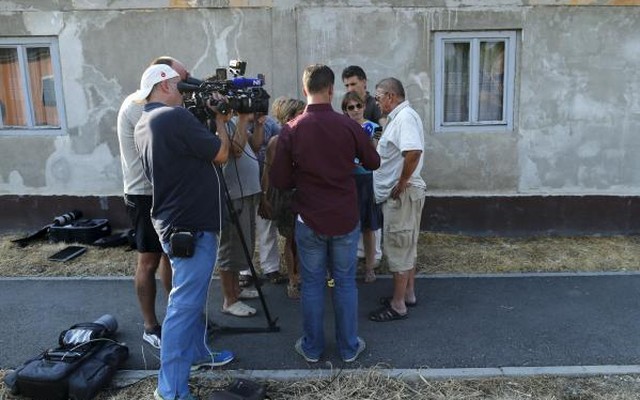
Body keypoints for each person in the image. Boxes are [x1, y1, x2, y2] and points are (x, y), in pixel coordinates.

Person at [133, 64, 234, 400]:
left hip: (175, 223)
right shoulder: (173, 118)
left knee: (189, 301)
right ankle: (171, 388)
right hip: (190, 226)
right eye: (179, 85)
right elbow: (220, 153)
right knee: (183, 305)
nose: (183, 91)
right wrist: (220, 120)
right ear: (163, 86)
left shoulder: (144, 122)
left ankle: (197, 355)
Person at [271, 64, 380, 363]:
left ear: (304, 89)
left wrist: (302, 178)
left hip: (309, 218)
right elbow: (373, 162)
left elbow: (279, 180)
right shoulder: (349, 126)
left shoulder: (291, 129)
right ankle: (347, 348)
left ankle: (312, 347)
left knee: (313, 285)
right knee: (345, 283)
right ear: (332, 90)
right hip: (344, 217)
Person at [116, 56, 187, 349]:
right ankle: (150, 326)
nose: (183, 88)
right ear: (162, 80)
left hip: (164, 190)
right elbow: (161, 150)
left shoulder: (160, 105)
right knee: (148, 259)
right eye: (180, 81)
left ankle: (177, 317)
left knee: (170, 256)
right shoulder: (137, 106)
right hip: (144, 193)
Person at [369, 77, 426, 323]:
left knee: (399, 246)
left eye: (378, 96)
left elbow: (413, 151)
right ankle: (407, 294)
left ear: (391, 96)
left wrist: (401, 181)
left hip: (402, 194)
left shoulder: (404, 117)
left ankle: (398, 304)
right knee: (406, 245)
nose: (376, 101)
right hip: (402, 193)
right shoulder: (400, 118)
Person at [215, 112, 262, 318]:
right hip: (234, 194)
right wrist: (243, 120)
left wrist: (258, 124)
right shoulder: (221, 123)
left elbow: (256, 146)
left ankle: (236, 291)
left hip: (248, 192)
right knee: (230, 247)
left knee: (243, 246)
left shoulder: (235, 122)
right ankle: (229, 299)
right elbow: (236, 150)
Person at [258, 97, 306, 299]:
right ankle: (293, 278)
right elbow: (267, 171)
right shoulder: (276, 141)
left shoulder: (306, 138)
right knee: (291, 237)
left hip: (303, 192)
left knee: (303, 237)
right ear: (289, 117)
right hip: (284, 195)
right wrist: (264, 196)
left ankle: (304, 275)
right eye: (300, 114)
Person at [237, 113, 288, 288]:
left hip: (265, 181)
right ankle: (245, 270)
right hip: (243, 183)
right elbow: (255, 146)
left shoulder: (270, 123)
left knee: (267, 226)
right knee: (244, 229)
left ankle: (270, 267)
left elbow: (279, 144)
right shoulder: (237, 122)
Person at [342, 65, 383, 267]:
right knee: (350, 224)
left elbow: (376, 149)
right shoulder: (342, 126)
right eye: (351, 108)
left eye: (358, 106)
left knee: (370, 224)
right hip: (349, 179)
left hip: (369, 177)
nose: (356, 110)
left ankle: (372, 261)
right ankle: (352, 261)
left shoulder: (375, 121)